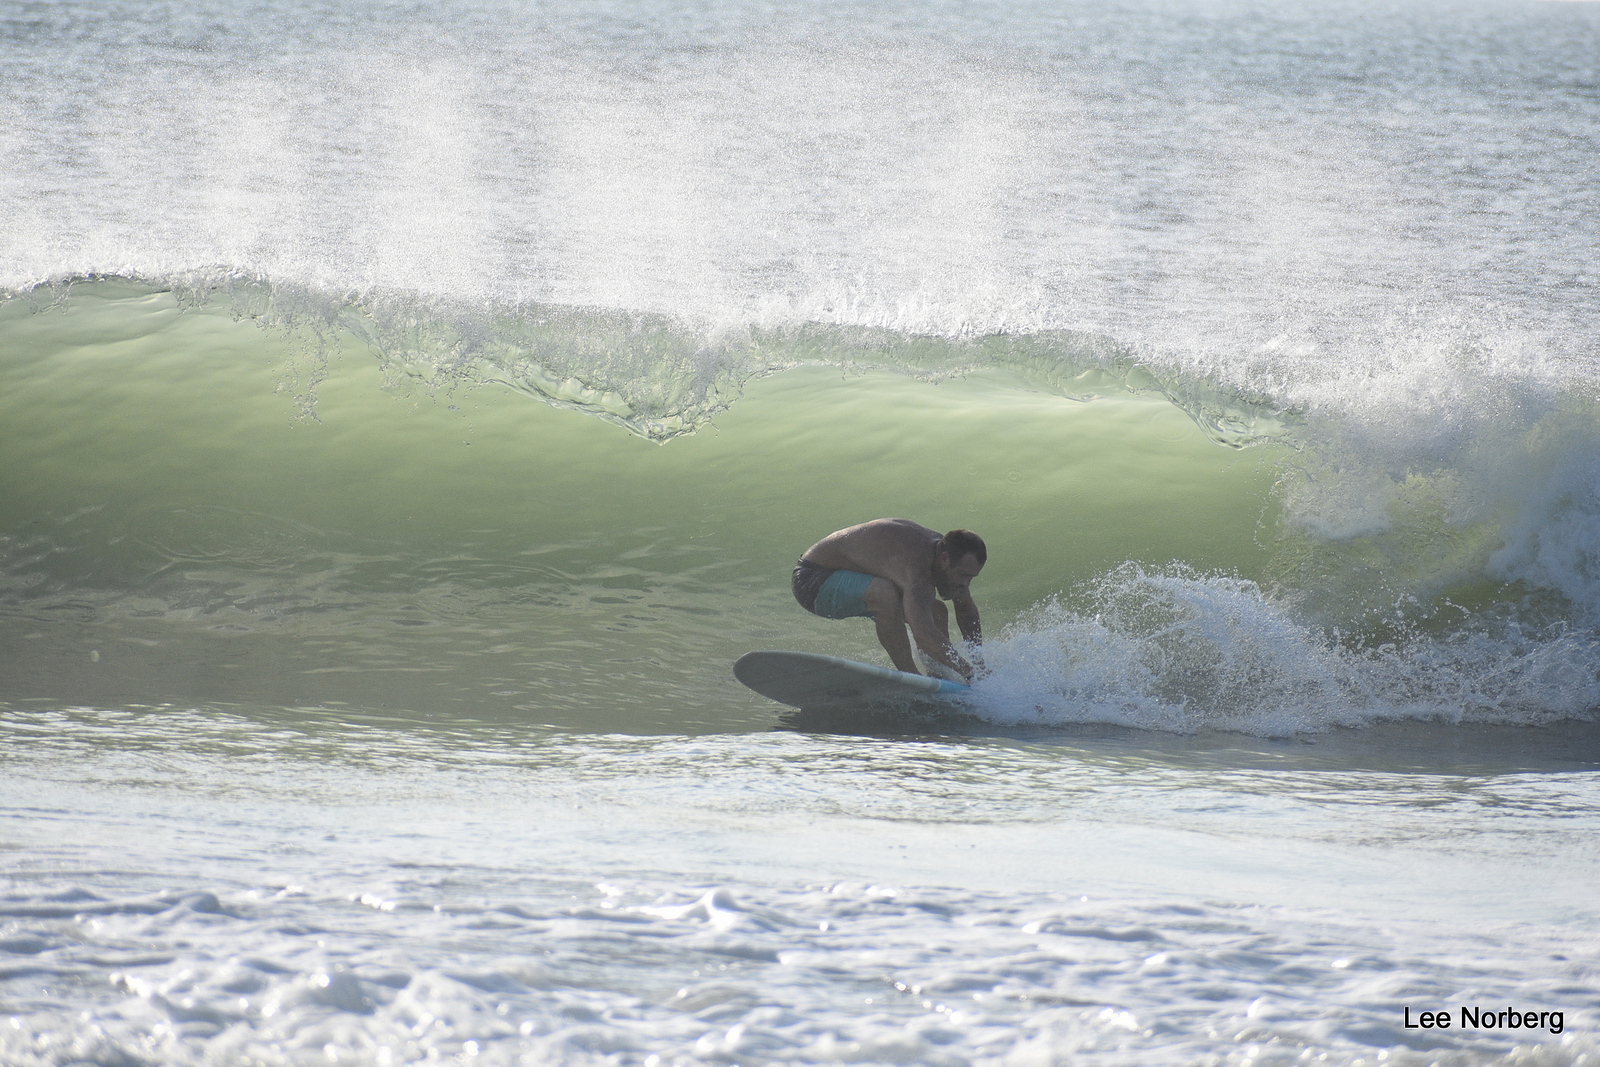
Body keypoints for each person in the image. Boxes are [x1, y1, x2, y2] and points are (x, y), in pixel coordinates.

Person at [792, 518, 986, 682]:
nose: (965, 583)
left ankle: (939, 680)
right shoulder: (916, 568)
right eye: (963, 575)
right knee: (885, 593)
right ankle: (910, 677)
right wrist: (969, 673)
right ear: (944, 559)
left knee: (937, 612)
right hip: (812, 581)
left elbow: (966, 610)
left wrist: (980, 665)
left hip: (850, 577)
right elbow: (923, 634)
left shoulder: (948, 555)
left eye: (971, 577)